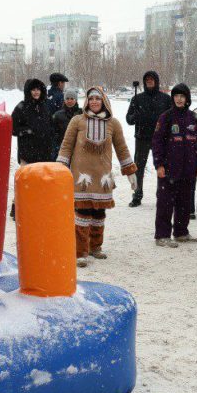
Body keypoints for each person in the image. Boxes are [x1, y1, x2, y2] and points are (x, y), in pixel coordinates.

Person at [56, 87, 137, 267]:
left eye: (97, 99)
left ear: (104, 102)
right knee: (82, 213)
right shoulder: (77, 121)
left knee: (99, 213)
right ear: (86, 101)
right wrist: (61, 169)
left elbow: (122, 148)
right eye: (91, 98)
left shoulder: (113, 124)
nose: (94, 101)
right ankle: (80, 252)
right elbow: (66, 146)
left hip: (103, 178)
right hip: (81, 178)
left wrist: (130, 171)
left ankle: (95, 247)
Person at [151, 84, 197, 247]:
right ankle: (162, 235)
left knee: (184, 202)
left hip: (188, 170)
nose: (179, 99)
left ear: (187, 99)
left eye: (182, 96)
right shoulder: (165, 117)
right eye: (176, 96)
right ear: (173, 98)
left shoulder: (194, 118)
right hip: (168, 169)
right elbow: (157, 142)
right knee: (165, 202)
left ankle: (181, 232)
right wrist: (159, 164)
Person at [11, 78, 57, 219]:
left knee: (43, 182)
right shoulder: (21, 107)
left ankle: (40, 207)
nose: (36, 92)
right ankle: (17, 207)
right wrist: (27, 131)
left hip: (45, 152)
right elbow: (12, 129)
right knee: (25, 183)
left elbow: (52, 126)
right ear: (28, 91)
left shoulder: (46, 106)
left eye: (38, 89)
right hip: (28, 153)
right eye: (33, 89)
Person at [125, 70, 172, 207]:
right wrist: (136, 117)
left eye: (152, 79)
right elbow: (129, 119)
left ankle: (162, 195)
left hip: (160, 138)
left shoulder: (165, 99)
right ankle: (137, 195)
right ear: (145, 82)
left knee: (162, 167)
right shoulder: (137, 99)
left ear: (156, 81)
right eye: (147, 79)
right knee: (138, 167)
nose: (149, 81)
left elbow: (171, 118)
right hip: (142, 138)